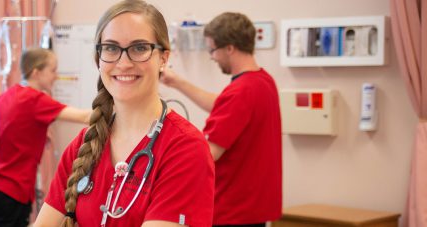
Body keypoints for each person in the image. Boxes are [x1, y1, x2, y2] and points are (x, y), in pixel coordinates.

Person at [34, 1, 215, 226]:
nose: (124, 62)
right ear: (99, 59)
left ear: (163, 58)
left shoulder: (185, 148)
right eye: (111, 48)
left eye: (139, 48)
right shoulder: (83, 146)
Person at [160, 12, 282, 227]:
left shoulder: (239, 93)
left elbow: (207, 154)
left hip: (232, 211)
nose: (212, 57)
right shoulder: (263, 82)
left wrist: (166, 138)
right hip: (255, 209)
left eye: (212, 50)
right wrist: (177, 82)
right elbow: (225, 106)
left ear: (229, 48)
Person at [0, 48, 92, 227]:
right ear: (36, 72)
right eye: (53, 70)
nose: (55, 76)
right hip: (12, 190)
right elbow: (85, 117)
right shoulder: (35, 100)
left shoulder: (5, 96)